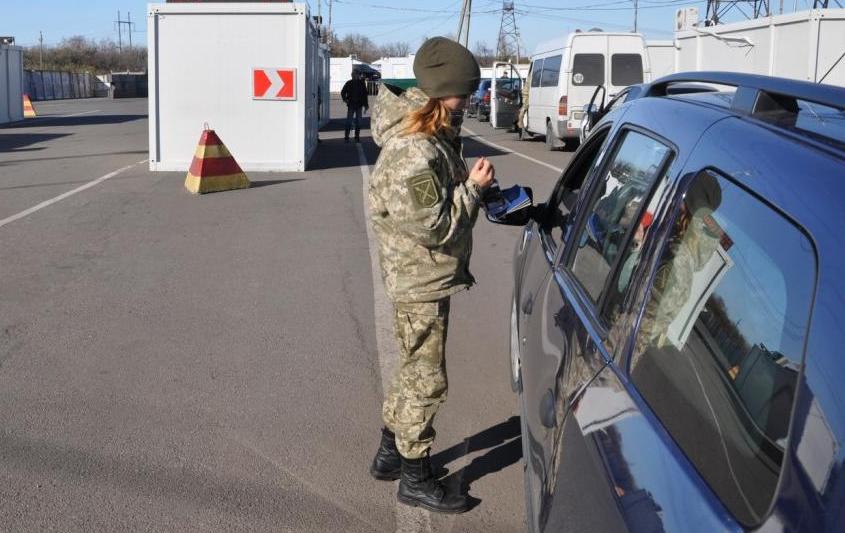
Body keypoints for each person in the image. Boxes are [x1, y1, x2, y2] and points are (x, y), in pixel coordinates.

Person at [367, 37, 495, 514]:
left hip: (422, 276)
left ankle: (389, 454)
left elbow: (432, 208)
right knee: (426, 379)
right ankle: (414, 477)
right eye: (465, 93)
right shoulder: (414, 151)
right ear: (443, 93)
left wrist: (467, 183)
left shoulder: (431, 137)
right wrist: (475, 192)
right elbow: (436, 226)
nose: (470, 102)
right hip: (420, 279)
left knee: (413, 368)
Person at [341, 70, 369, 143]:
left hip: (359, 105)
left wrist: (366, 105)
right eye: (353, 75)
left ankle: (357, 137)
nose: (354, 76)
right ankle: (346, 137)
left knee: (358, 122)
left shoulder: (361, 84)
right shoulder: (349, 83)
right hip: (351, 105)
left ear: (357, 75)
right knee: (349, 121)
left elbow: (365, 95)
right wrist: (345, 100)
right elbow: (343, 92)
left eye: (355, 75)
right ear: (351, 75)